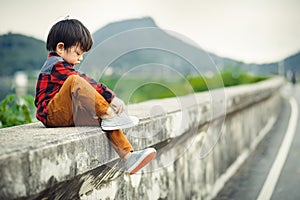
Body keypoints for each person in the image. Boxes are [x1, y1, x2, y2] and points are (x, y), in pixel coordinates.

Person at [34, 18, 156, 175]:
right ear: (60, 48)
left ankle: (128, 157)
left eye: (83, 54)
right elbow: (82, 82)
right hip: (52, 114)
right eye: (78, 53)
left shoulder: (64, 66)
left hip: (66, 113)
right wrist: (110, 99)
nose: (80, 58)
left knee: (103, 121)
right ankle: (109, 114)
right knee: (75, 81)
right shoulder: (55, 65)